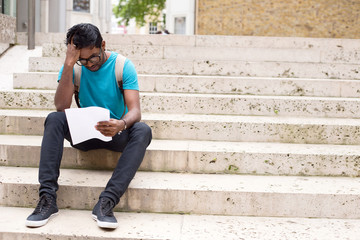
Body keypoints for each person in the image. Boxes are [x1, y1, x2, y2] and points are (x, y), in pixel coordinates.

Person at [25, 23, 152, 229]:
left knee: (142, 130)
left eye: (92, 57)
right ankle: (47, 199)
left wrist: (121, 124)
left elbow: (135, 111)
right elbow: (61, 106)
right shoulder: (74, 66)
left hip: (113, 133)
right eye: (82, 60)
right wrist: (69, 64)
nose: (89, 64)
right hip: (82, 134)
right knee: (54, 119)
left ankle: (106, 201)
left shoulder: (122, 65)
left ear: (102, 44)